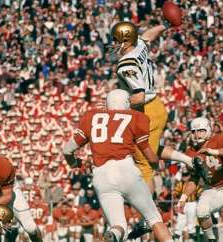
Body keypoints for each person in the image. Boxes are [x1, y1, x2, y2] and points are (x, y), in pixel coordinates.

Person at [63, 89, 174, 242]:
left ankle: (112, 235)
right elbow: (150, 156)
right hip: (125, 169)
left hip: (101, 175)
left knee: (118, 225)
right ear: (127, 103)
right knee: (154, 218)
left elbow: (67, 150)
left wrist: (75, 163)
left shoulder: (91, 116)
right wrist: (155, 165)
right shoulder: (135, 117)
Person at [111, 21, 193, 194]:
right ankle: (186, 159)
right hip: (156, 106)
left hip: (145, 111)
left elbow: (139, 97)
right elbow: (147, 36)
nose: (113, 43)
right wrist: (165, 24)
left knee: (144, 165)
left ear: (125, 41)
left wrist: (117, 106)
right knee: (150, 149)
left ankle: (150, 218)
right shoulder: (138, 45)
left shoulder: (126, 64)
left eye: (115, 40)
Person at [178, 117, 223, 242]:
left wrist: (214, 151)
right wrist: (183, 197)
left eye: (200, 130)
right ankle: (211, 239)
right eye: (194, 131)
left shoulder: (219, 138)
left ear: (208, 129)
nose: (196, 134)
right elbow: (194, 178)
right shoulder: (191, 152)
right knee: (201, 213)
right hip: (212, 189)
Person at [173, 167, 202, 241]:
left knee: (191, 224)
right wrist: (176, 203)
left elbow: (200, 194)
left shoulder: (194, 184)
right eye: (183, 175)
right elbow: (174, 193)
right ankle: (176, 240)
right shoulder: (180, 184)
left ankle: (191, 240)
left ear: (189, 175)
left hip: (192, 203)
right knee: (179, 223)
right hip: (183, 203)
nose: (184, 177)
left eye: (186, 175)